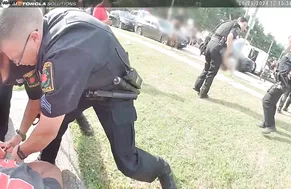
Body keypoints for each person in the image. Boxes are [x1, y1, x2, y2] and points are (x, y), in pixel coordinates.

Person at [0, 8, 176, 189]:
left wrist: (17, 155)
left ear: (34, 38)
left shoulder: (61, 58)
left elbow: (46, 130)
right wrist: (19, 136)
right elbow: (39, 102)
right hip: (82, 82)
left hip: (111, 89)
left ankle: (162, 168)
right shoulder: (44, 28)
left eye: (16, 58)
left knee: (128, 162)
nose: (17, 63)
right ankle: (47, 164)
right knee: (56, 121)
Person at [0, 53, 94, 138]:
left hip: (28, 56)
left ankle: (78, 114)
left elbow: (35, 100)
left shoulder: (26, 64)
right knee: (3, 96)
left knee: (55, 98)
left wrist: (20, 136)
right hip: (12, 59)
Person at [193, 17, 248, 98]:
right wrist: (228, 52)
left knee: (206, 67)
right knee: (212, 72)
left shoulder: (226, 23)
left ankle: (197, 86)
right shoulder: (236, 26)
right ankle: (203, 93)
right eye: (244, 25)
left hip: (210, 44)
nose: (244, 28)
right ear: (240, 22)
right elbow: (230, 37)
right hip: (218, 47)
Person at [258, 35, 291, 134]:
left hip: (282, 83)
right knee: (271, 102)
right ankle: (266, 123)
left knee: (266, 101)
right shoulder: (290, 53)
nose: (286, 45)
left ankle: (270, 126)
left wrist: (290, 74)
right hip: (280, 82)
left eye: (287, 43)